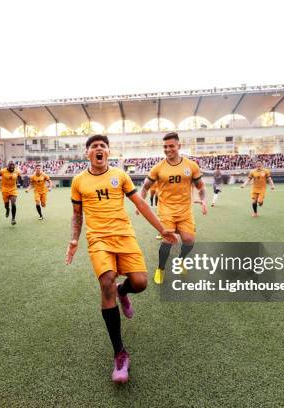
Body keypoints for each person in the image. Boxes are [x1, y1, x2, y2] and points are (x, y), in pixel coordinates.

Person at [65, 135, 176, 384]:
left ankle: (123, 292)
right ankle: (120, 353)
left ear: (108, 152)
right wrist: (74, 239)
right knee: (106, 280)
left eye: (102, 146)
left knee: (140, 283)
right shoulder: (78, 181)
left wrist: (162, 229)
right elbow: (76, 214)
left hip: (124, 236)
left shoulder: (120, 175)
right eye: (94, 146)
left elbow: (141, 204)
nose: (99, 149)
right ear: (87, 154)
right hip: (99, 239)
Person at [139, 132, 208, 284]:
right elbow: (144, 188)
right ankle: (161, 269)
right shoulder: (157, 168)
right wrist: (140, 202)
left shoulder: (191, 166)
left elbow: (201, 187)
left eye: (171, 146)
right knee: (168, 241)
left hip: (185, 211)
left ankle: (180, 260)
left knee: (189, 240)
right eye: (165, 146)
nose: (168, 149)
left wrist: (203, 200)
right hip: (166, 211)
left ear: (179, 146)